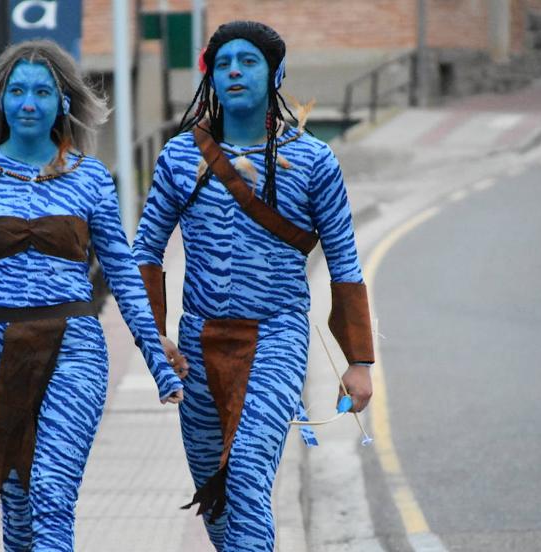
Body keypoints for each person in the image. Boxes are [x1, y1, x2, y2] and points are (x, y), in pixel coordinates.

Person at [0, 39, 184, 552]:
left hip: (75, 349)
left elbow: (123, 274)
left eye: (42, 91)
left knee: (53, 493)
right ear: (1, 100)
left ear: (63, 102)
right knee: (19, 509)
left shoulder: (91, 178)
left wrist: (157, 358)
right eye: (17, 91)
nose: (28, 102)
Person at [133, 21, 375, 551]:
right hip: (197, 342)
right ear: (211, 78)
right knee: (213, 494)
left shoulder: (314, 161)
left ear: (275, 73)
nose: (235, 72)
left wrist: (358, 360)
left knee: (243, 472)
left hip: (277, 337)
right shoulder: (179, 157)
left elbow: (345, 261)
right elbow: (145, 251)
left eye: (248, 62)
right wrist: (154, 339)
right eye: (223, 64)